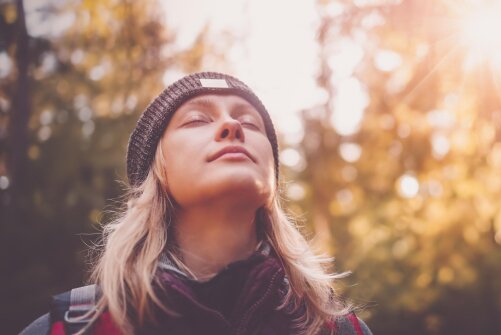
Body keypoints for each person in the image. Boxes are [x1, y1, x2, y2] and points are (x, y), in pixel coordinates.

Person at [20, 72, 373, 335]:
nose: (232, 125)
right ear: (156, 172)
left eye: (250, 122)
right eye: (197, 119)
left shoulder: (339, 329)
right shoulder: (71, 327)